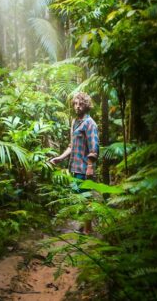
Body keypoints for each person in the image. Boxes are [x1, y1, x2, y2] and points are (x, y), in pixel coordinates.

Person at [50, 92, 99, 233]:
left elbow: (94, 147)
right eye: (75, 104)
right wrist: (60, 158)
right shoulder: (75, 122)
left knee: (86, 198)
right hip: (74, 167)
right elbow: (71, 146)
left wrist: (90, 166)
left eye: (81, 104)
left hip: (84, 168)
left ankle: (88, 230)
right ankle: (84, 225)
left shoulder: (90, 124)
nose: (77, 107)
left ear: (86, 105)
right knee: (79, 198)